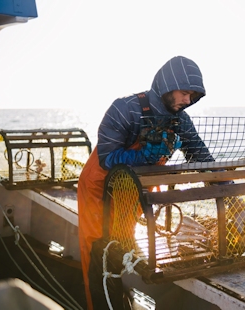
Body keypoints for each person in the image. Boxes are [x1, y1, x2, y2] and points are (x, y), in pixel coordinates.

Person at [77, 55, 214, 310]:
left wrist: (226, 188)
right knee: (99, 250)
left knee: (122, 242)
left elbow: (200, 155)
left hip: (134, 191)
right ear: (166, 86)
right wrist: (145, 156)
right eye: (185, 93)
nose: (188, 101)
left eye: (192, 96)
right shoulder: (124, 108)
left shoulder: (180, 119)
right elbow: (107, 158)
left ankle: (119, 296)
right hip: (99, 189)